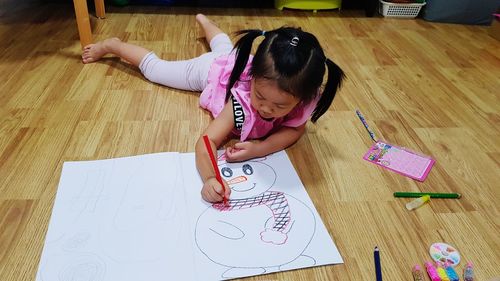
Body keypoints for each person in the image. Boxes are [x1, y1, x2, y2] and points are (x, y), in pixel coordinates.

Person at [82, 14, 345, 203]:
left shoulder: (302, 95)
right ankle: (114, 45)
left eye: (280, 106)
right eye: (260, 96)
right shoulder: (240, 101)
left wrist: (260, 148)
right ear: (251, 77)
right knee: (157, 70)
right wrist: (210, 178)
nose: (265, 108)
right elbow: (207, 140)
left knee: (224, 47)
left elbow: (295, 128)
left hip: (237, 61)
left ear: (303, 98)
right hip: (209, 71)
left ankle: (206, 22)